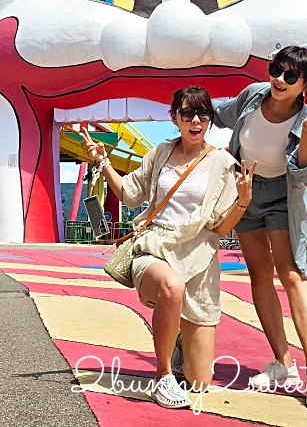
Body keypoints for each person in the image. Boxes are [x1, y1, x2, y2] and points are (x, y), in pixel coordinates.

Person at [83, 86, 248, 409]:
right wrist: (102, 163)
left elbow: (221, 227)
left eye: (203, 114)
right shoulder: (159, 153)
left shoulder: (223, 163)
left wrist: (242, 201)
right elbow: (130, 194)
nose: (196, 120)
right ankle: (162, 377)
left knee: (200, 381)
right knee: (171, 286)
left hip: (199, 259)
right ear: (174, 117)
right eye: (188, 113)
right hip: (155, 248)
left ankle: (177, 343)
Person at [213, 45, 307, 412]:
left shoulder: (306, 121)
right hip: (245, 189)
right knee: (259, 275)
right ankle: (283, 363)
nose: (279, 80)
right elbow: (220, 113)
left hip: (284, 193)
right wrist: (190, 110)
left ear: (305, 85)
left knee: (293, 274)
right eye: (276, 70)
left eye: (290, 76)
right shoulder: (252, 96)